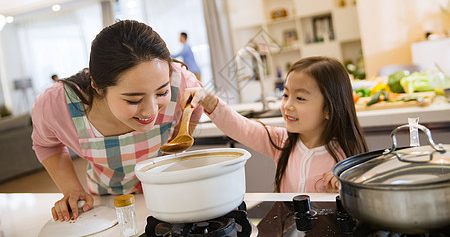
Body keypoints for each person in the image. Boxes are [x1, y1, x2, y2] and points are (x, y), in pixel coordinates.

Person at [31, 20, 203, 222]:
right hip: (109, 204)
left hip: (169, 194)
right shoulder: (56, 104)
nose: (151, 110)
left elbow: (195, 107)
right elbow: (47, 145)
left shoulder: (180, 82)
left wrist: (178, 141)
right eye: (134, 100)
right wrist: (71, 189)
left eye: (162, 92)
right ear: (96, 85)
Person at [182, 56, 368, 193]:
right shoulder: (282, 141)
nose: (287, 105)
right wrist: (209, 101)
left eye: (300, 98)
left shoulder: (348, 159)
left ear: (329, 108)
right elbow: (241, 127)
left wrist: (342, 189)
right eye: (285, 95)